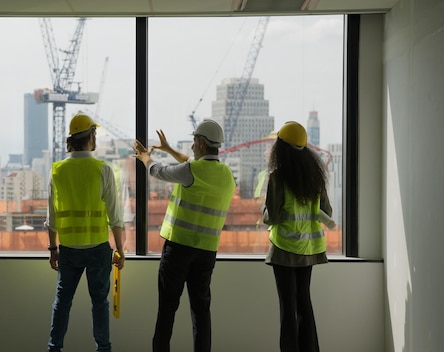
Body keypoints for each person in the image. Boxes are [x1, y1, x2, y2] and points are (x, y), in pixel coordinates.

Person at [132, 119, 236, 352]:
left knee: (167, 309)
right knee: (201, 311)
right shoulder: (226, 174)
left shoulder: (192, 170)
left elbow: (159, 170)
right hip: (207, 252)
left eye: (193, 142)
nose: (190, 147)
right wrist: (169, 149)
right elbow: (192, 163)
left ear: (200, 143)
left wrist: (145, 158)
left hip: (178, 249)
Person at [46, 113, 125, 352]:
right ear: (90, 136)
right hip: (98, 249)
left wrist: (53, 249)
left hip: (68, 249)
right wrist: (120, 251)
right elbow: (115, 216)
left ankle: (54, 348)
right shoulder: (103, 169)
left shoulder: (57, 170)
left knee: (62, 303)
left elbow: (52, 217)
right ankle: (103, 348)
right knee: (100, 303)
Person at [261, 121, 332, 352]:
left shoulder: (277, 176)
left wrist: (264, 213)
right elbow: (327, 212)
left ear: (281, 146)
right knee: (304, 303)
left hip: (284, 249)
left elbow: (272, 216)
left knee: (287, 307)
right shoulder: (314, 175)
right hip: (309, 248)